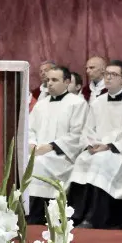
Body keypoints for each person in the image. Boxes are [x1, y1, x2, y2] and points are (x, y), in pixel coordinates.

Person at [69, 60, 122, 228]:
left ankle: (95, 218)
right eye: (107, 74)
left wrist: (110, 146)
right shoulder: (98, 102)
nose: (109, 78)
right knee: (82, 160)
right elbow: (88, 129)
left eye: (114, 75)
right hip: (99, 149)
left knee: (102, 161)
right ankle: (76, 215)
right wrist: (91, 144)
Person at [25, 66, 88, 225]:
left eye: (54, 80)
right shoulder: (41, 104)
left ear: (67, 82)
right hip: (39, 151)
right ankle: (25, 211)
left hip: (63, 155)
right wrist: (32, 144)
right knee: (25, 162)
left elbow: (77, 134)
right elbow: (30, 129)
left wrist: (52, 146)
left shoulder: (77, 103)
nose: (49, 84)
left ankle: (38, 213)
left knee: (39, 163)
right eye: (47, 80)